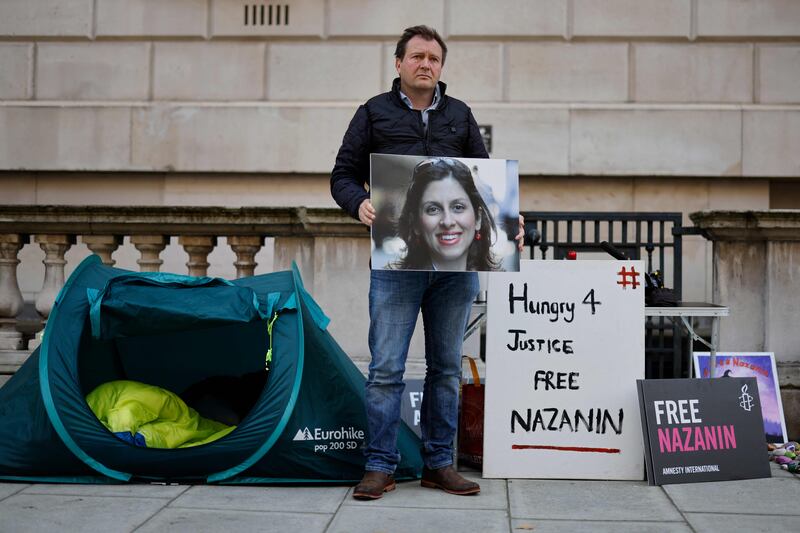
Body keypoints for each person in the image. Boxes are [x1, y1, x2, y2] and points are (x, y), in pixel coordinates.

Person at [331, 25, 523, 500]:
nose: (425, 65)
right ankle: (379, 465)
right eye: (416, 56)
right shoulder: (373, 112)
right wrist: (358, 204)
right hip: (396, 266)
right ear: (398, 63)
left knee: (446, 368)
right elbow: (341, 175)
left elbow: (485, 183)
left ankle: (440, 464)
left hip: (455, 269)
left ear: (441, 67)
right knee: (386, 368)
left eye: (434, 59)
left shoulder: (460, 115)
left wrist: (509, 221)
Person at [393, 157, 500, 271]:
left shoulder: (494, 282)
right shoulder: (394, 284)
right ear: (415, 224)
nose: (447, 222)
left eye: (458, 207)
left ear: (478, 218)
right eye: (433, 209)